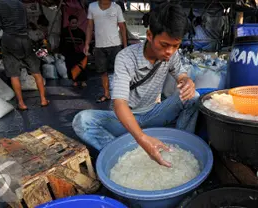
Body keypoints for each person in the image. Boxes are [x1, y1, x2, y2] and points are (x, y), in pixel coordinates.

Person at [73, 3, 198, 167]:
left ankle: (179, 148)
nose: (170, 51)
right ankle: (124, 156)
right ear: (149, 35)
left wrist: (187, 81)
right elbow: (119, 104)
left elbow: (180, 74)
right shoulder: (125, 58)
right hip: (126, 119)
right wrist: (142, 138)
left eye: (176, 45)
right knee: (82, 121)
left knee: (194, 97)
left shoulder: (171, 54)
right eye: (165, 45)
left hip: (153, 113)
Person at [0, 0, 49, 111]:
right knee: (36, 72)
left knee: (14, 74)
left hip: (9, 39)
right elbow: (25, 21)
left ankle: (21, 103)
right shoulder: (19, 3)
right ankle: (43, 99)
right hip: (24, 38)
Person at [84, 0, 127, 103]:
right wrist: (87, 43)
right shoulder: (92, 6)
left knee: (120, 72)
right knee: (102, 72)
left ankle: (122, 96)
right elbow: (90, 27)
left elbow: (122, 27)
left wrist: (125, 46)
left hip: (115, 45)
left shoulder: (116, 7)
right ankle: (106, 94)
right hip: (99, 46)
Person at [60, 15, 87, 87]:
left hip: (79, 53)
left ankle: (83, 81)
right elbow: (61, 42)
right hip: (69, 53)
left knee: (81, 67)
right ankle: (74, 81)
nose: (74, 24)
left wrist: (88, 51)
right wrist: (61, 52)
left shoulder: (81, 32)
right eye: (73, 23)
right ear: (69, 23)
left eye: (75, 23)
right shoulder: (65, 31)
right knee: (71, 67)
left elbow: (86, 42)